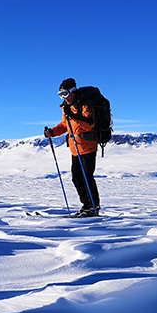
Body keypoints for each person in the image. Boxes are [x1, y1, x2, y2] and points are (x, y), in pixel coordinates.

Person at [45, 78, 102, 217]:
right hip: (75, 148)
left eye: (65, 94)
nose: (63, 98)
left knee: (87, 177)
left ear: (72, 91)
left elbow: (89, 125)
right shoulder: (66, 108)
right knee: (76, 178)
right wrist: (52, 132)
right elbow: (65, 125)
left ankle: (94, 207)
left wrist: (73, 116)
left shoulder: (85, 104)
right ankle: (86, 205)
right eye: (60, 95)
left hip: (87, 146)